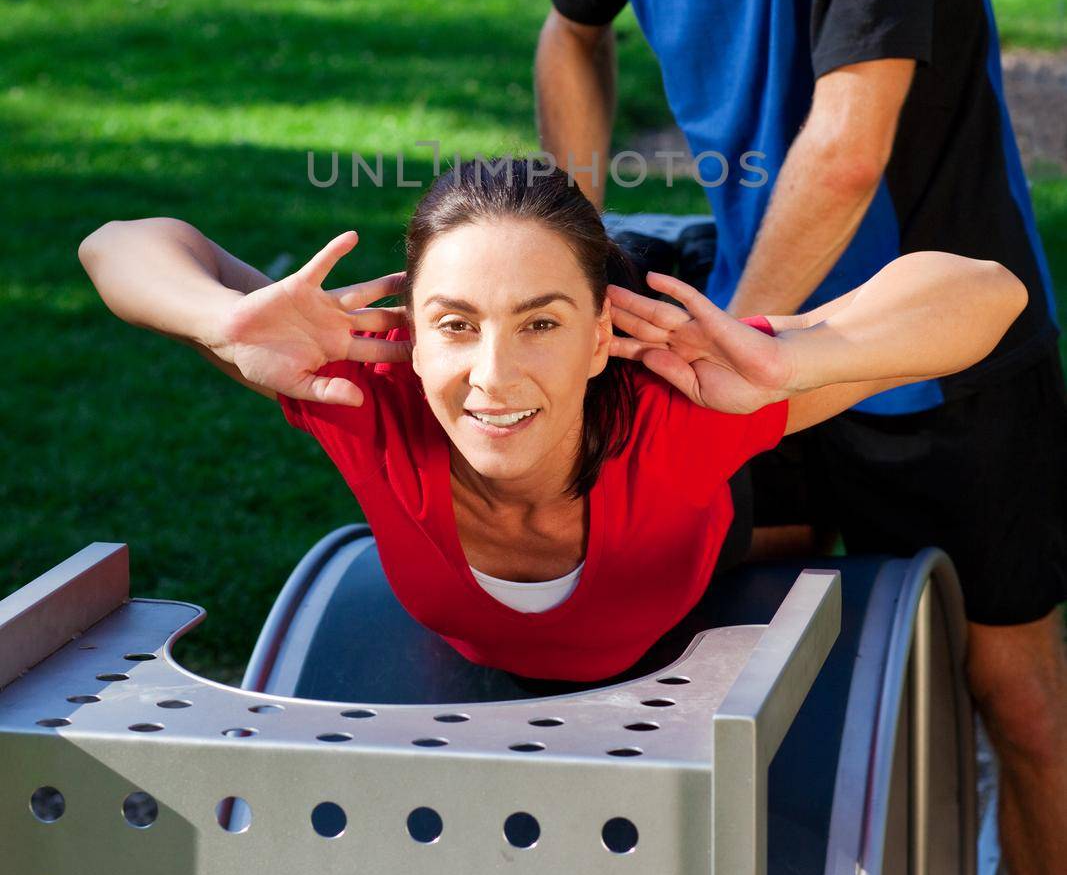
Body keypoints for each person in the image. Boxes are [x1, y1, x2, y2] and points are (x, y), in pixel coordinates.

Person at [534, 0, 1067, 875]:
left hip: (930, 344)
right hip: (756, 352)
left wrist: (733, 342)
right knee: (756, 679)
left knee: (1016, 702)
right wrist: (573, 231)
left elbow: (843, 143)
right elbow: (569, 31)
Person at [80, 159, 1024, 682]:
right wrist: (221, 319)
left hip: (692, 476)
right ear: (408, 335)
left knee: (781, 499)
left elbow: (984, 292)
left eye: (538, 323)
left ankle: (660, 264)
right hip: (598, 341)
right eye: (455, 326)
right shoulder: (363, 389)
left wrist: (792, 359)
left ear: (600, 333)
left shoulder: (676, 404)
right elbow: (116, 243)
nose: (491, 376)